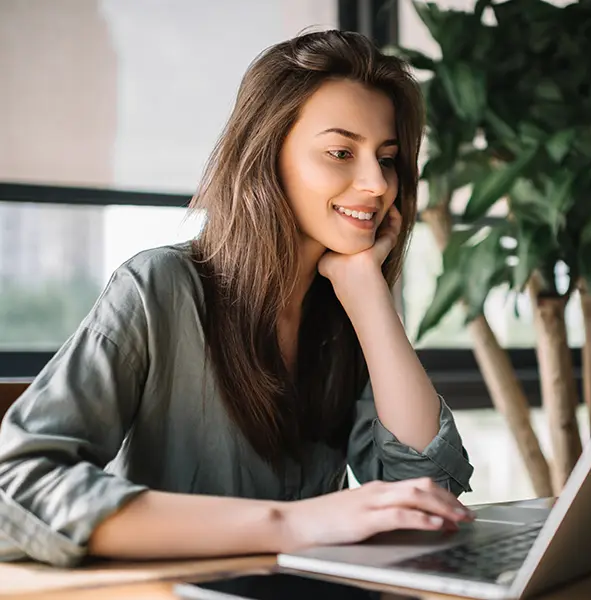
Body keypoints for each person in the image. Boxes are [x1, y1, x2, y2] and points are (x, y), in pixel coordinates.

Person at [0, 29, 474, 568]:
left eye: (386, 158)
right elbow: (15, 486)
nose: (376, 183)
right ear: (267, 157)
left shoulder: (343, 309)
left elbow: (429, 492)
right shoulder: (159, 288)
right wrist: (289, 525)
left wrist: (368, 295)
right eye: (341, 152)